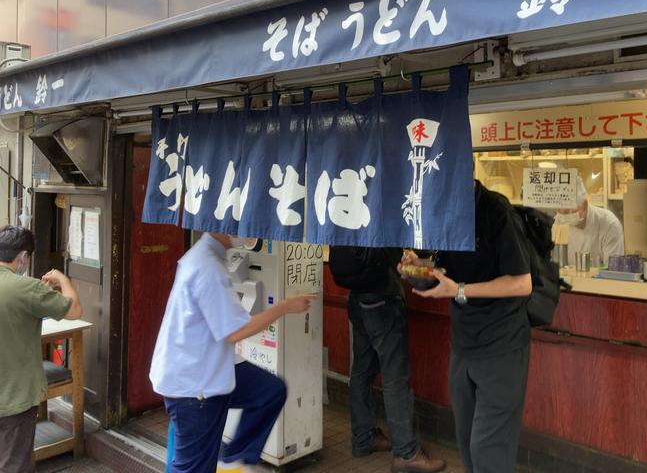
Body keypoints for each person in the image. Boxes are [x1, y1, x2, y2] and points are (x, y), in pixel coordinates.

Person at [149, 232, 314, 473]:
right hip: (195, 387)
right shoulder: (208, 267)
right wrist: (284, 307)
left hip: (203, 370)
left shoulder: (203, 256)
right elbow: (236, 331)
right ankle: (231, 457)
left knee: (270, 391)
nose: (247, 231)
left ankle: (234, 456)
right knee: (193, 468)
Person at [401, 179, 532, 473]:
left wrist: (458, 290)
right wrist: (418, 265)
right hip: (463, 344)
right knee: (468, 446)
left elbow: (523, 283)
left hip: (502, 345)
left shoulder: (495, 210)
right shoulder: (445, 208)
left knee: (488, 450)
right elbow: (443, 269)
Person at [328, 246, 445, 473]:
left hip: (357, 296)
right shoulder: (384, 211)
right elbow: (405, 258)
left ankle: (363, 438)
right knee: (395, 377)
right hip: (381, 299)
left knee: (362, 369)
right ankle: (407, 454)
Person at [0, 225, 83, 473]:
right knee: (14, 464)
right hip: (15, 396)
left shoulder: (27, 289)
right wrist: (63, 280)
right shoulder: (27, 288)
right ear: (23, 257)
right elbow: (75, 310)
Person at [555, 175, 624, 268]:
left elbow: (614, 271)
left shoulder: (609, 224)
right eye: (564, 211)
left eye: (573, 209)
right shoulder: (556, 223)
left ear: (585, 205)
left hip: (598, 282)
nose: (569, 214)